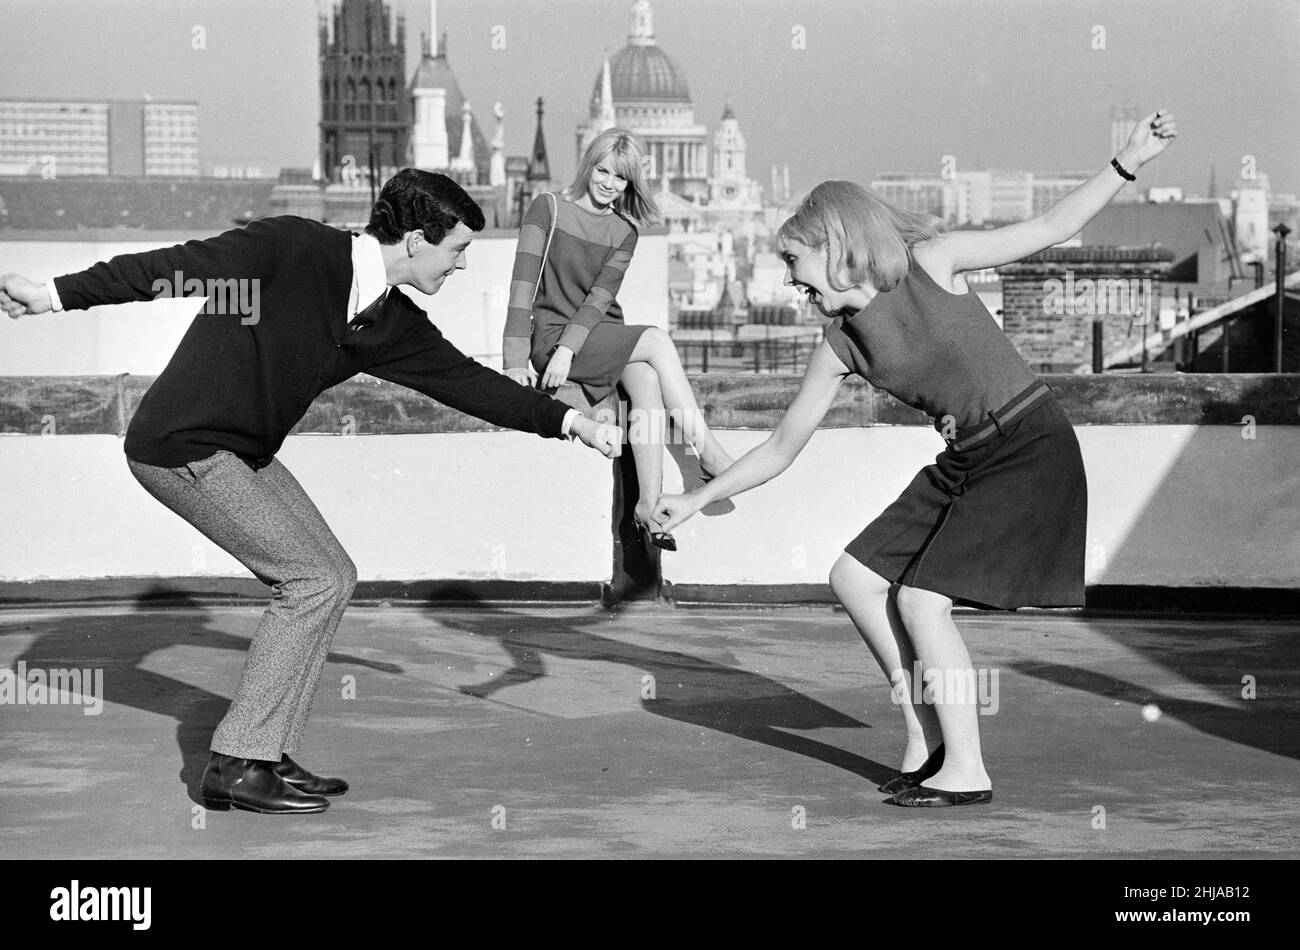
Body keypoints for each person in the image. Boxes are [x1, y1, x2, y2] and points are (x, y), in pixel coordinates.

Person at [0, 169, 621, 815]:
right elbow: (169, 269)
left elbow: (469, 383)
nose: (462, 265)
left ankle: (266, 750)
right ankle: (239, 764)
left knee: (334, 575)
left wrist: (572, 422)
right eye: (457, 250)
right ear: (415, 239)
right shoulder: (291, 249)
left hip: (240, 453)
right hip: (181, 445)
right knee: (311, 581)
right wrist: (50, 295)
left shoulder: (389, 322)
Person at [655, 111, 1178, 806]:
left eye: (793, 262)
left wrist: (1129, 158)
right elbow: (783, 446)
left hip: (1028, 443)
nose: (788, 282)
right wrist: (692, 501)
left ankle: (968, 770)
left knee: (922, 601)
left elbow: (1050, 228)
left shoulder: (931, 263)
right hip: (965, 459)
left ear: (834, 244)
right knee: (855, 578)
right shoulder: (839, 344)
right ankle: (923, 733)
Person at [502, 128, 733, 550]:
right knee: (659, 341)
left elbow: (598, 300)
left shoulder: (625, 230)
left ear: (631, 182)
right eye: (603, 171)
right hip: (552, 337)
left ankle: (647, 505)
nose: (609, 184)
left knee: (646, 377)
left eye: (621, 178)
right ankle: (710, 452)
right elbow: (522, 286)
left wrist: (573, 348)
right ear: (588, 165)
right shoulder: (547, 208)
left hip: (594, 334)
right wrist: (516, 361)